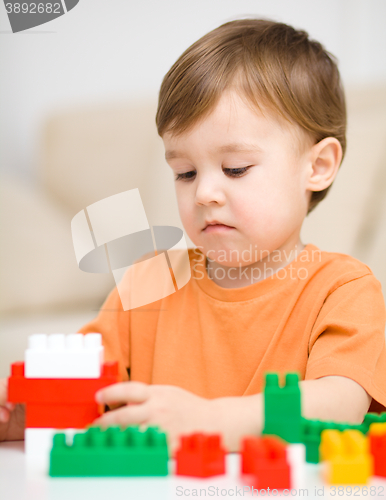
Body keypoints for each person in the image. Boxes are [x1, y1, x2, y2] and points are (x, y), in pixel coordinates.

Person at [1, 19, 386, 454]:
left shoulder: (343, 289)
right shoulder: (150, 280)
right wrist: (33, 412)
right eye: (184, 172)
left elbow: (339, 406)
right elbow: (87, 390)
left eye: (235, 168)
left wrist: (205, 420)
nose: (203, 192)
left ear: (317, 167)